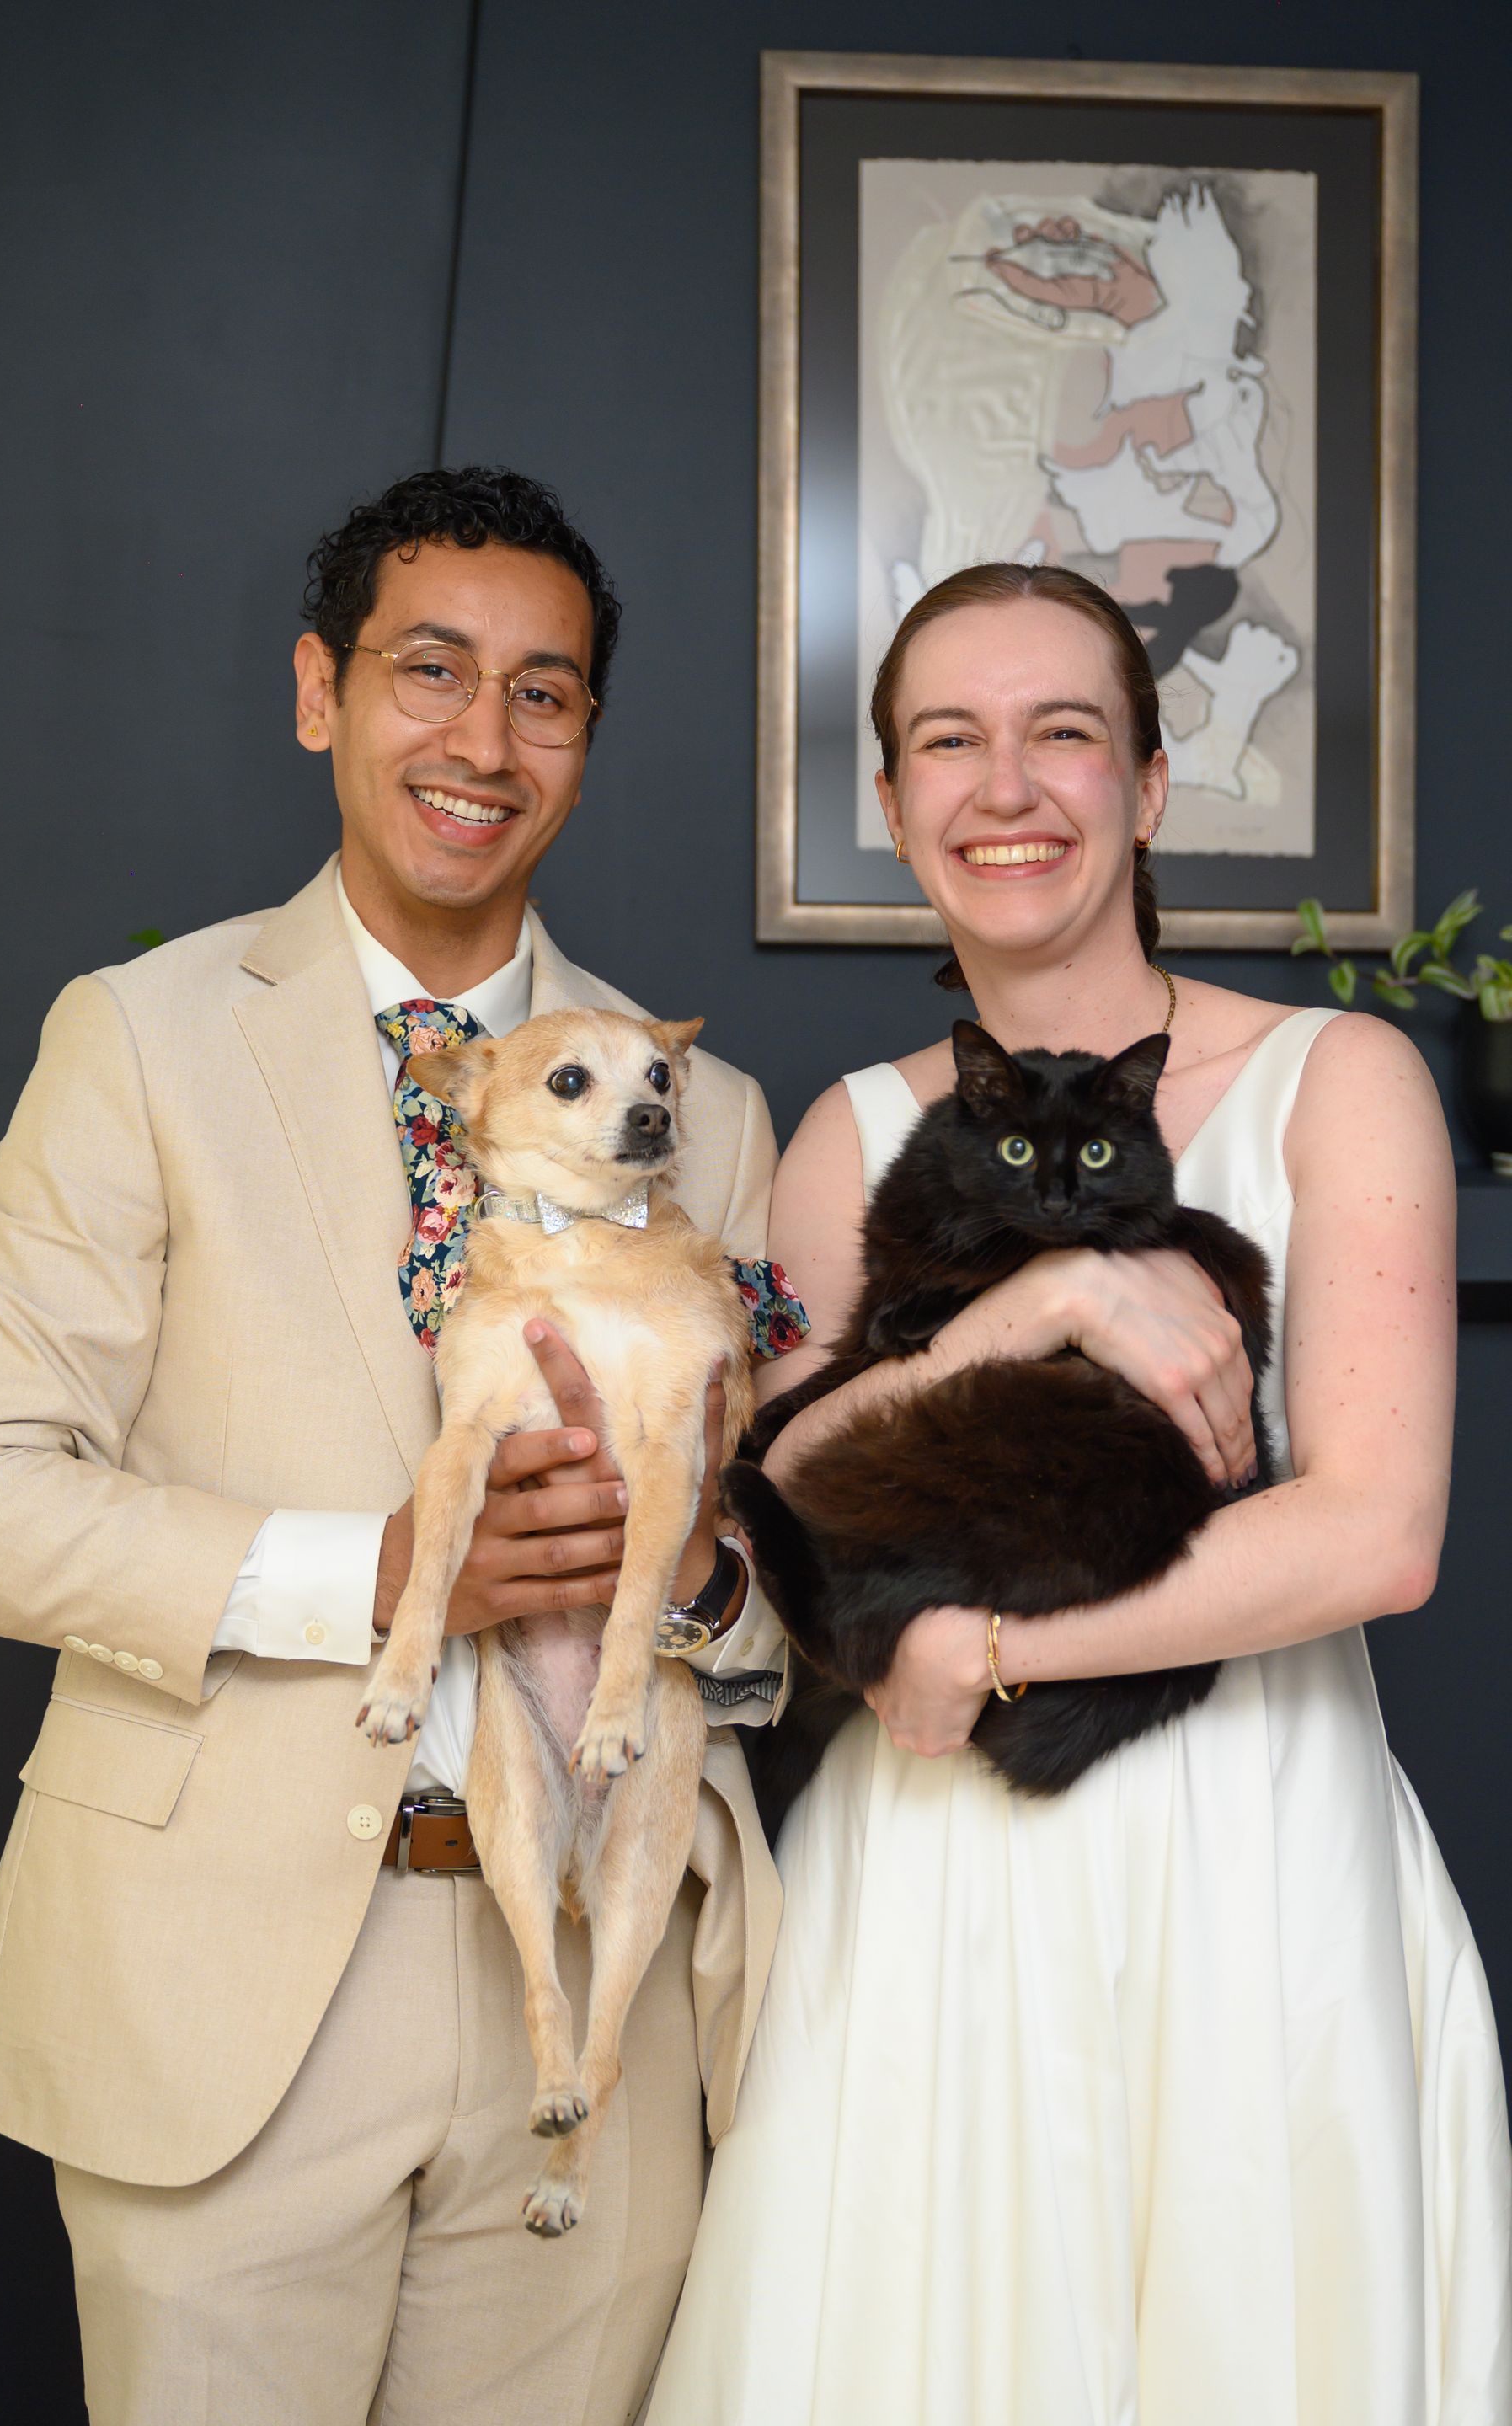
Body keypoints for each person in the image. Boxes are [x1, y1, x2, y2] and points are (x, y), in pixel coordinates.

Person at [0, 466, 796, 2426]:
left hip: (594, 1996)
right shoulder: (138, 1040)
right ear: (321, 692)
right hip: (229, 1999)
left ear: (586, 739)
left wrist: (711, 1581)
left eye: (543, 693)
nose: (483, 741)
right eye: (429, 672)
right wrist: (385, 1576)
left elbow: (767, 1621)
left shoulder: (703, 1111)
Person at [649, 563, 1512, 2424]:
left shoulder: (1335, 1083)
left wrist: (986, 1641)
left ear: (1148, 782)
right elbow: (790, 1494)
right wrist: (1040, 1300)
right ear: (892, 808)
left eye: (1066, 733)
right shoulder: (847, 1136)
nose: (1007, 789)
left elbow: (1378, 1529)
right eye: (949, 742)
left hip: (1250, 1841)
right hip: (943, 1862)